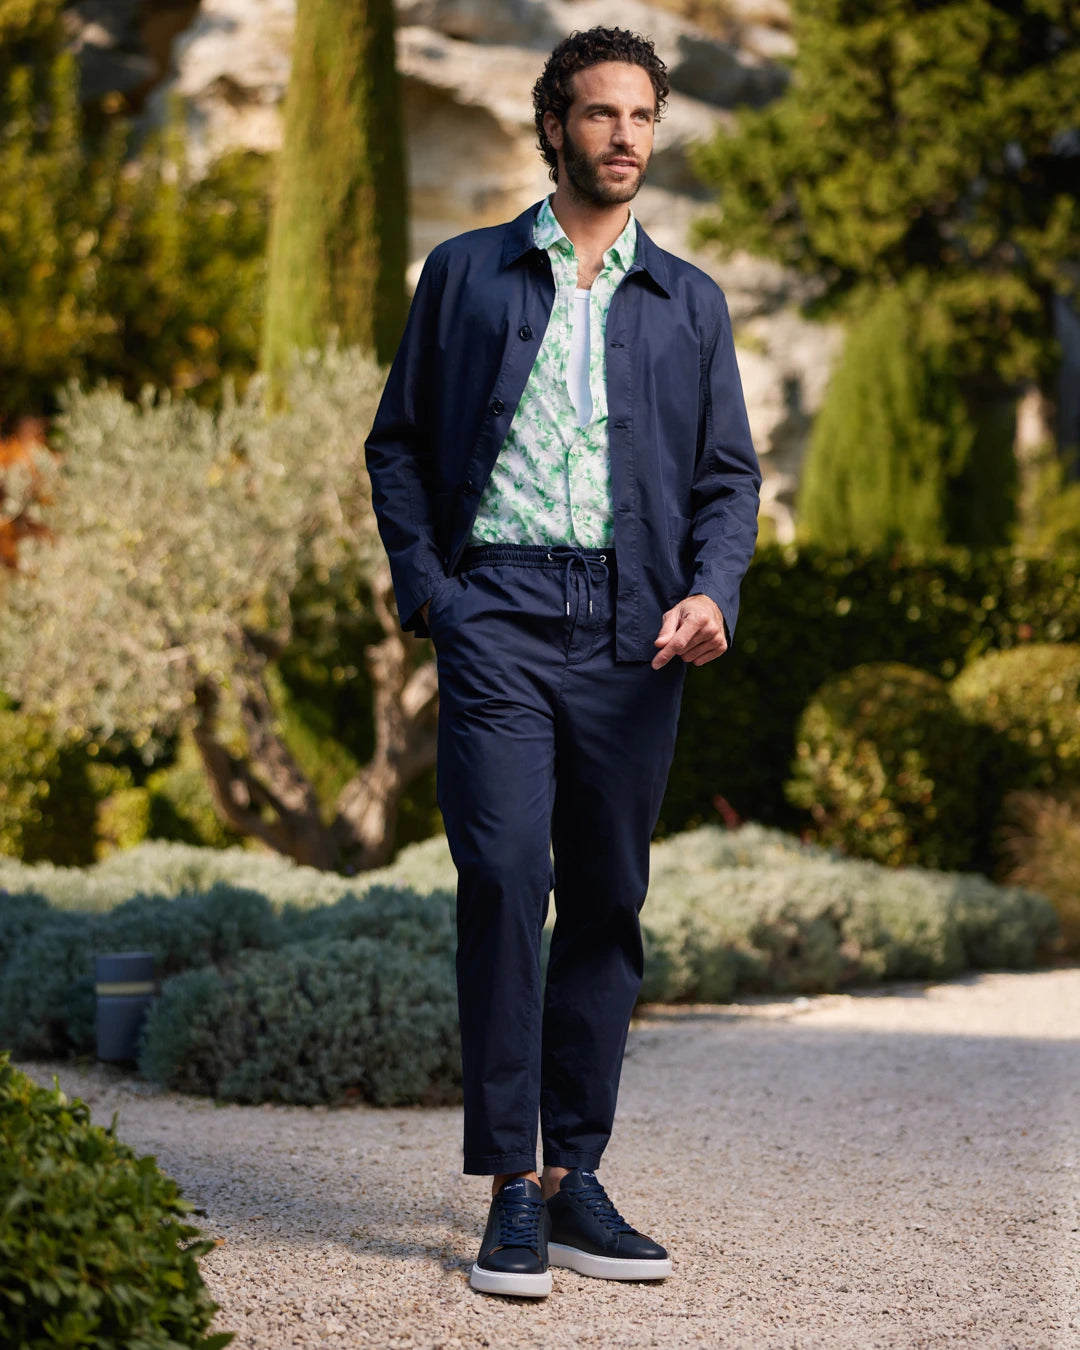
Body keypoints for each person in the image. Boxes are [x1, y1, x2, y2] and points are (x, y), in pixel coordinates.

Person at [365, 25, 761, 1298]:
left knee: (606, 896)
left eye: (642, 115)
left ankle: (573, 1174)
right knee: (501, 875)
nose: (625, 135)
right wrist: (435, 595)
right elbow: (398, 446)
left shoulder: (690, 302)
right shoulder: (466, 275)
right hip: (497, 613)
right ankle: (508, 1185)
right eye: (601, 113)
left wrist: (711, 592)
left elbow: (728, 481)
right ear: (555, 127)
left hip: (636, 633)